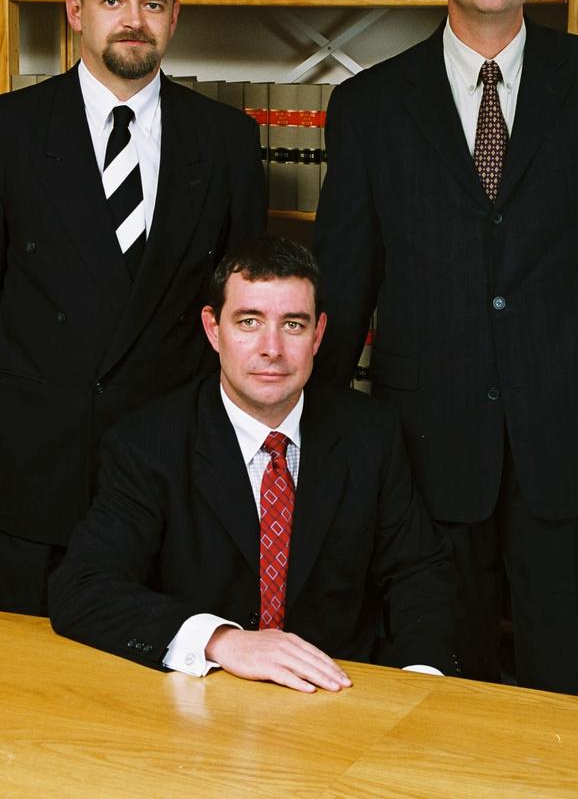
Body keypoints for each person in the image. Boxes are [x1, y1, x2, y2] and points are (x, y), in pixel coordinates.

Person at [313, 0, 578, 700]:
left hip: (574, 430)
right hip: (425, 440)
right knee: (439, 682)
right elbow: (346, 282)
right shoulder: (368, 107)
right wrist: (317, 432)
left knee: (570, 685)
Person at [49, 236, 457, 693]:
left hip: (340, 695)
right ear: (212, 329)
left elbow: (419, 573)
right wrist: (221, 640)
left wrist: (422, 684)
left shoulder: (370, 434)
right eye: (249, 322)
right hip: (200, 697)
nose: (272, 349)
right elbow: (82, 588)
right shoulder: (148, 444)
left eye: (293, 325)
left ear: (319, 334)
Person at [0, 0, 266, 616]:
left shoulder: (227, 140)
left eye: (152, 5)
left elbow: (241, 315)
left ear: (175, 18)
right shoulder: (11, 131)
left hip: (170, 469)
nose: (133, 22)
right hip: (32, 472)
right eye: (113, 1)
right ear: (75, 10)